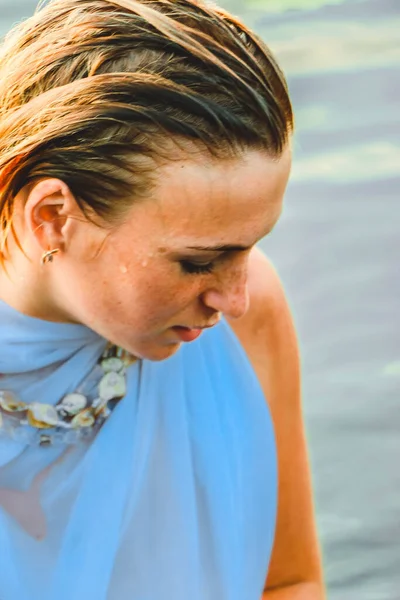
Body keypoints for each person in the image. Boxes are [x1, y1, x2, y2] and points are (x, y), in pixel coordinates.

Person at [0, 0, 324, 598]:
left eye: (251, 248)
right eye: (198, 261)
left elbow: (290, 582)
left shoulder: (248, 320)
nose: (236, 298)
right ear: (52, 217)